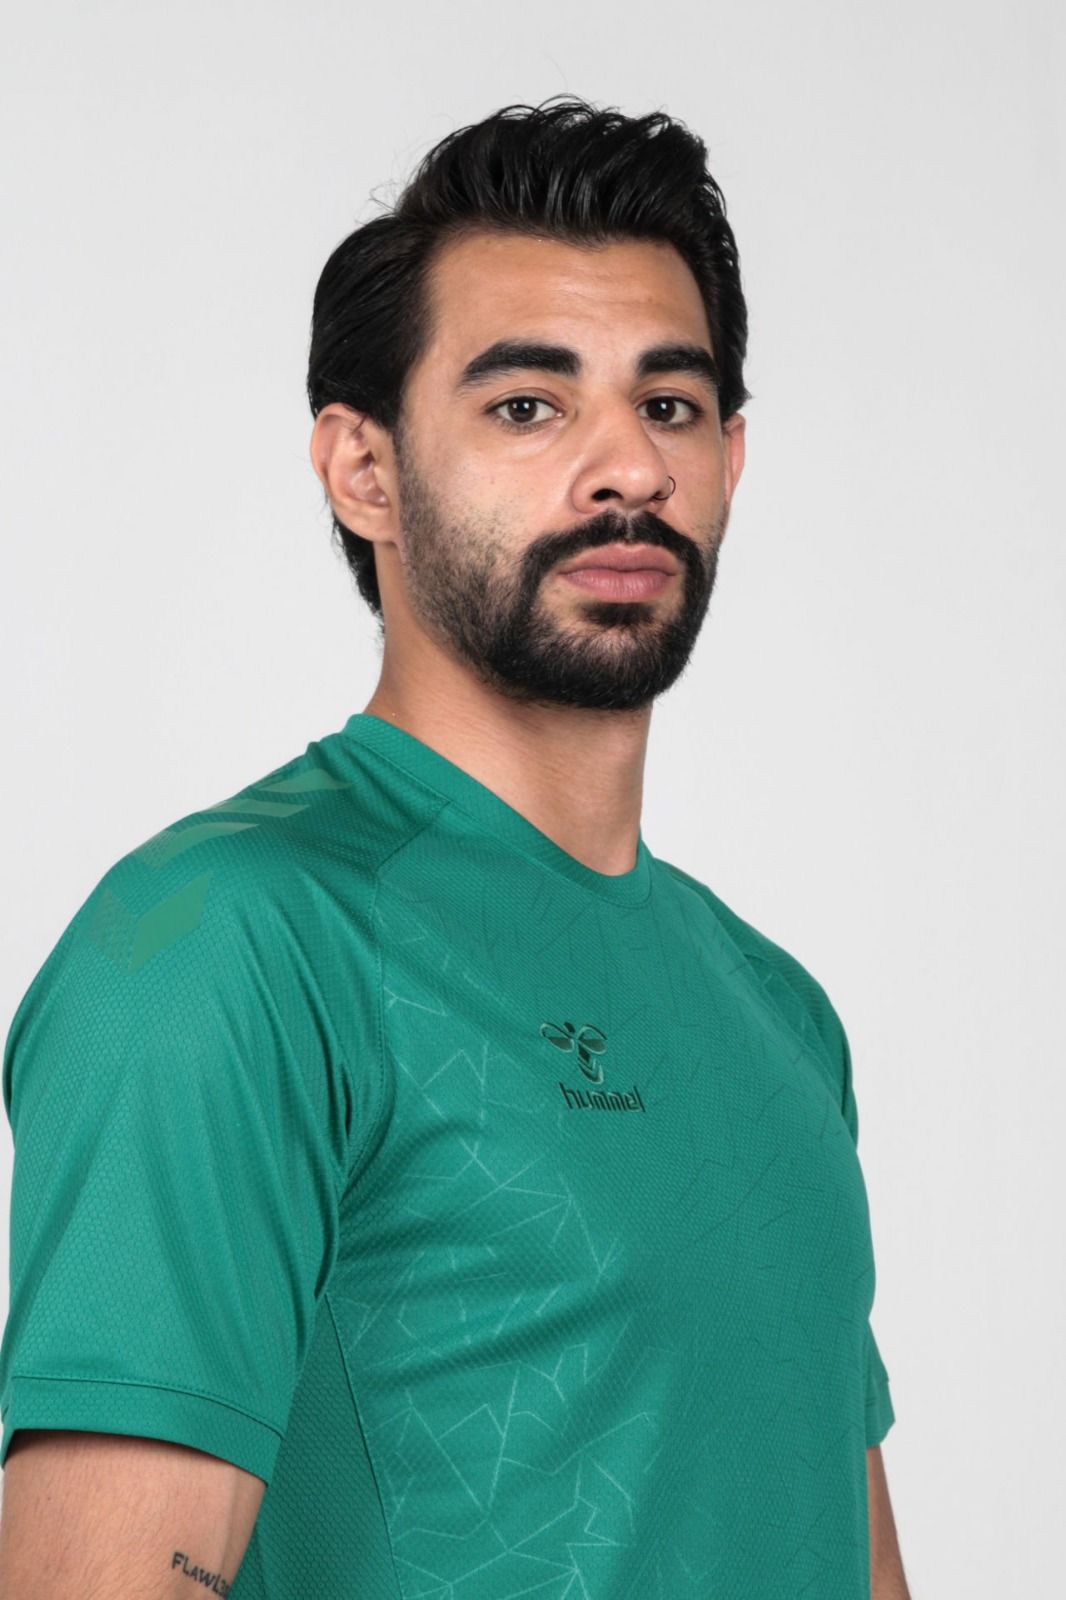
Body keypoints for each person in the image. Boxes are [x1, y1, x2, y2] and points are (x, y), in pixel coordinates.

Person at [0, 96, 910, 1599]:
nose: (626, 469)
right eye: (527, 406)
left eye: (670, 406)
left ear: (732, 458)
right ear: (364, 471)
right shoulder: (227, 944)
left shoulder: (777, 1011)